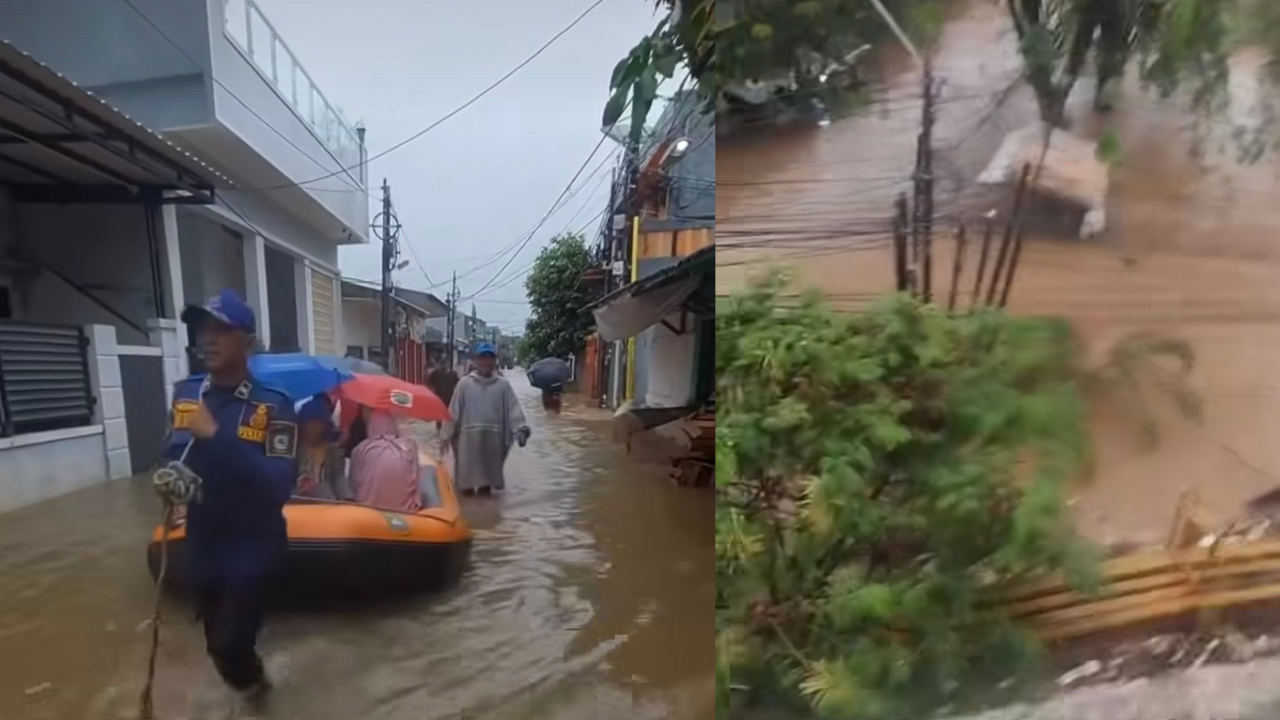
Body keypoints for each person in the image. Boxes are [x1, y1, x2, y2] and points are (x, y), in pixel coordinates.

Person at [162, 289, 296, 707]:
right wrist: (168, 480)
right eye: (204, 329)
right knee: (217, 646)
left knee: (228, 643)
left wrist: (218, 438)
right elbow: (173, 453)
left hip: (255, 548)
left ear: (248, 342)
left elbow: (278, 485)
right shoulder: (187, 395)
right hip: (203, 546)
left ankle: (261, 699)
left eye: (222, 329)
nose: (209, 339)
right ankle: (254, 686)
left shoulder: (275, 407)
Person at [445, 342, 530, 497]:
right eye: (482, 358)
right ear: (476, 361)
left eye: (489, 358)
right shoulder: (464, 384)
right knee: (466, 486)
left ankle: (487, 516)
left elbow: (513, 409)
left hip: (492, 441)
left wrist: (520, 429)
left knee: (486, 486)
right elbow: (453, 412)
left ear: (494, 361)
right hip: (468, 441)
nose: (486, 362)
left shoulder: (503, 385)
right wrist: (445, 435)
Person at [350, 409, 422, 512]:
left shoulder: (360, 450)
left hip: (368, 511)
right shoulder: (409, 446)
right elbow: (416, 480)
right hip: (405, 510)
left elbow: (354, 485)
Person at [294, 394, 352, 501]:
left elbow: (339, 479)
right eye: (309, 423)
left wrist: (346, 497)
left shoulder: (334, 452)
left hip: (328, 506)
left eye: (317, 424)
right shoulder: (295, 450)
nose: (313, 428)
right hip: (299, 505)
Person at [426, 359, 460, 432]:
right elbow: (430, 384)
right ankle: (442, 430)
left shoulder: (451, 374)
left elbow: (429, 384)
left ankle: (443, 431)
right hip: (444, 398)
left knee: (444, 416)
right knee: (443, 416)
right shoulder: (437, 373)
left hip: (445, 398)